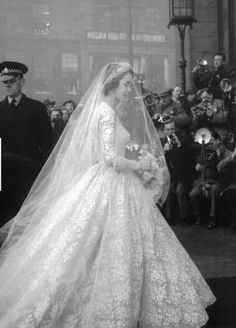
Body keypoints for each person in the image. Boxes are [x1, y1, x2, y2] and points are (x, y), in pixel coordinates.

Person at [0, 62, 215, 327]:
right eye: (126, 84)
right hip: (110, 182)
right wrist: (143, 165)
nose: (130, 90)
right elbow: (111, 159)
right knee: (97, 241)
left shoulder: (105, 111)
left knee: (110, 242)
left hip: (112, 182)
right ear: (112, 85)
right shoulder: (105, 113)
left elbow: (114, 152)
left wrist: (139, 159)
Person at [0, 61, 53, 226]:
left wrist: (45, 173)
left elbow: (47, 143)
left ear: (22, 82)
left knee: (26, 217)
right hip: (4, 172)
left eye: (11, 81)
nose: (7, 85)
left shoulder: (36, 108)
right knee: (4, 214)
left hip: (29, 172)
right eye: (4, 82)